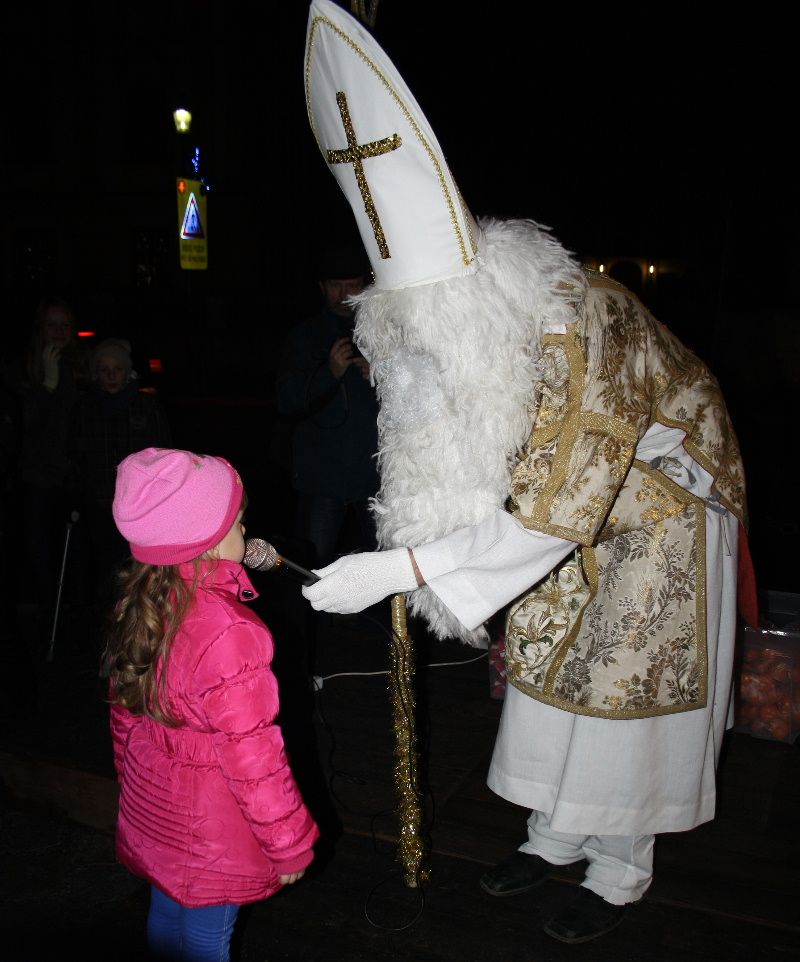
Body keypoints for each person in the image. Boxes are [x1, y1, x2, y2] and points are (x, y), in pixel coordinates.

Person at [301, 0, 752, 945]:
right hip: (565, 502)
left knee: (622, 684)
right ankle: (555, 835)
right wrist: (417, 532)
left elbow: (561, 500)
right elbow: (465, 449)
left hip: (662, 510)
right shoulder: (473, 332)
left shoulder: (576, 326)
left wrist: (405, 569)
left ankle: (622, 867)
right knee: (551, 662)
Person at [104, 447, 319, 962]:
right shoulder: (230, 632)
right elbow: (254, 756)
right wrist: (287, 841)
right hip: (212, 827)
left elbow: (122, 716)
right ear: (209, 539)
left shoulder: (141, 605)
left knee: (166, 911)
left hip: (155, 808)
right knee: (206, 937)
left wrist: (131, 782)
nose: (246, 534)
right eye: (240, 523)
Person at [275, 241, 378, 574]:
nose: (344, 294)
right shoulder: (303, 337)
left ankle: (388, 627)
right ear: (322, 288)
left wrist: (383, 373)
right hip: (322, 477)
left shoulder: (384, 332)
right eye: (335, 286)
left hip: (374, 475)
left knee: (385, 564)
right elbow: (286, 401)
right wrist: (329, 375)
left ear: (365, 285)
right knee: (313, 569)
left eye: (351, 285)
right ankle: (316, 624)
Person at [1, 296, 91, 619]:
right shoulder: (22, 369)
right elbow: (25, 426)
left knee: (77, 550)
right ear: (41, 329)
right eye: (52, 325)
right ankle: (47, 613)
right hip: (38, 475)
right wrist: (47, 385)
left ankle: (77, 616)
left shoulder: (82, 368)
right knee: (39, 548)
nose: (59, 331)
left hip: (73, 475)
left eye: (65, 325)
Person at [70, 337, 171, 612]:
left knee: (137, 570)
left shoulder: (146, 406)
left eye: (117, 369)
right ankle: (106, 623)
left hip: (139, 507)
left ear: (128, 372)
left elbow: (163, 454)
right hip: (99, 505)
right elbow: (77, 454)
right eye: (104, 369)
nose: (112, 375)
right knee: (104, 569)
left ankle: (138, 620)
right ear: (96, 374)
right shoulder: (85, 408)